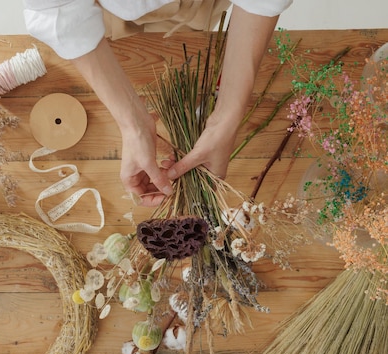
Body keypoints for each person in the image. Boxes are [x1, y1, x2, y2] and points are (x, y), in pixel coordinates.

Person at [23, 0, 293, 206]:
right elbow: (58, 9)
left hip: (199, 5)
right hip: (112, 13)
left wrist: (228, 116)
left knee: (194, 26)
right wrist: (133, 125)